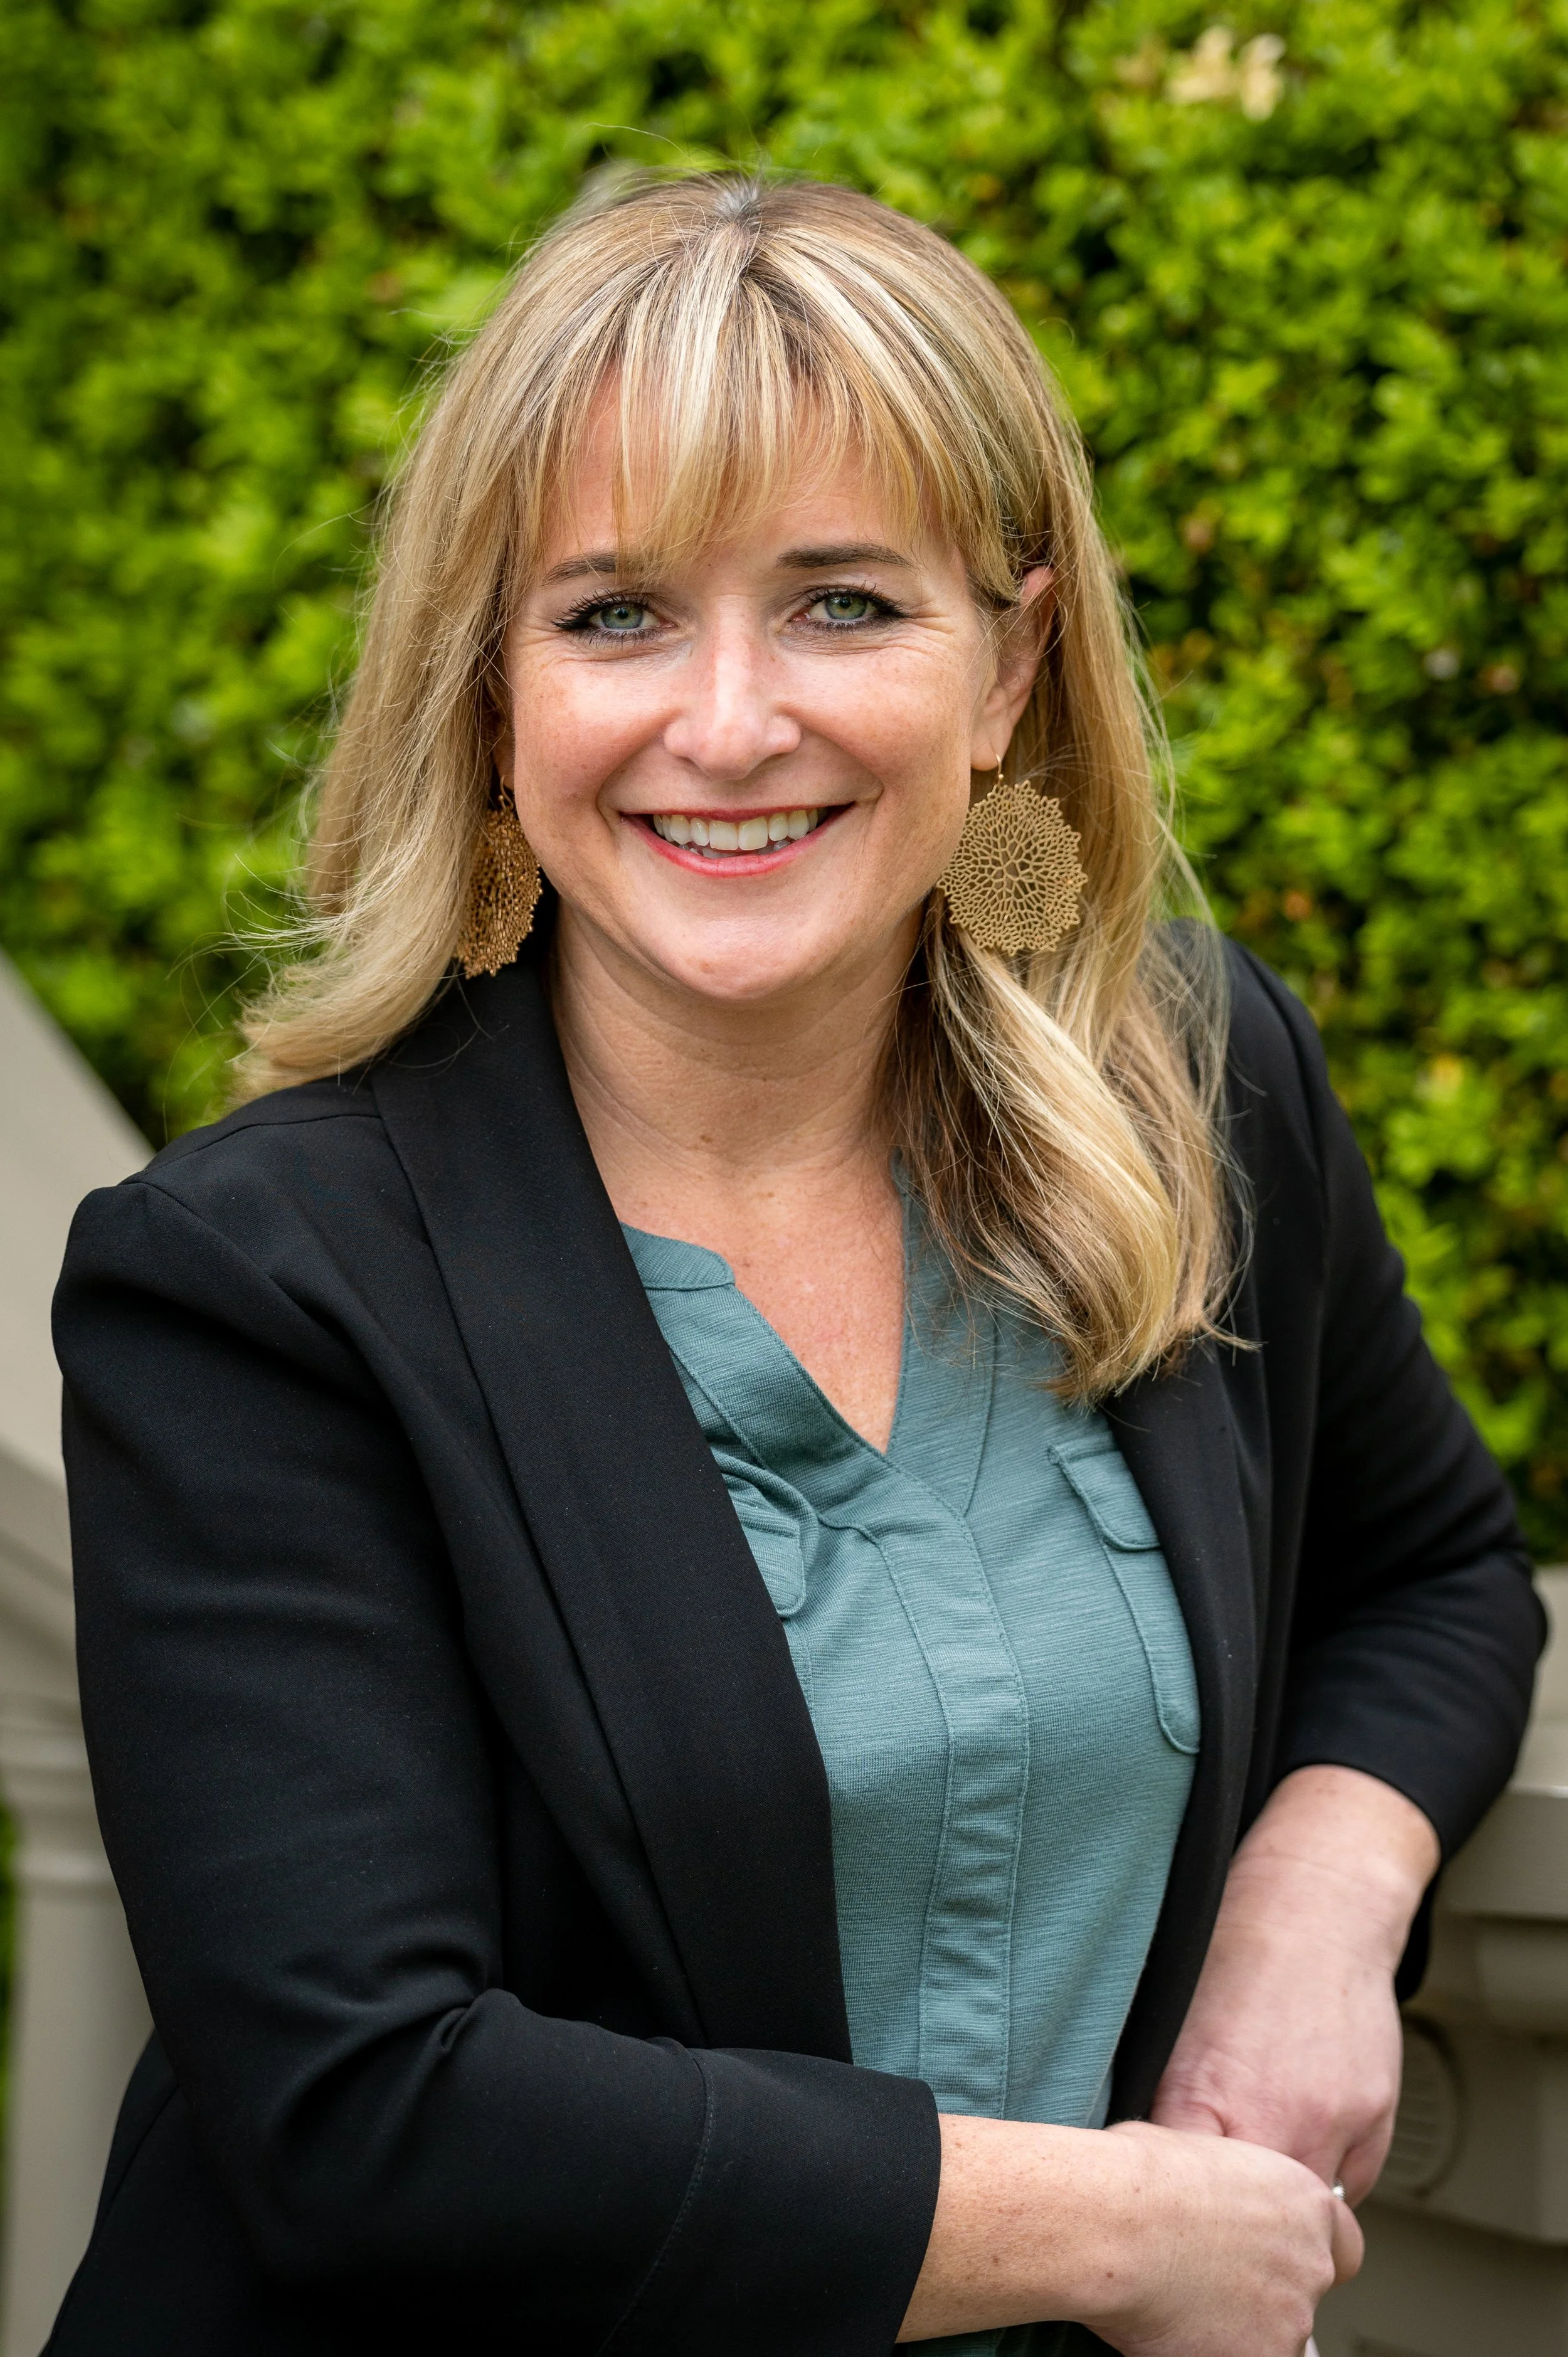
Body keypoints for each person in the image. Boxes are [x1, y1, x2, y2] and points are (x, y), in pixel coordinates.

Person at [49, 171, 1540, 2357]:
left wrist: (1312, 1903)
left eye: (842, 603)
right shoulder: (253, 1287)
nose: (731, 721)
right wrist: (1121, 2229)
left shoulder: (1187, 1081)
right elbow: (369, 2110)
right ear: (488, 689)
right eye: (616, 615)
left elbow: (1430, 1574)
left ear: (1008, 667)